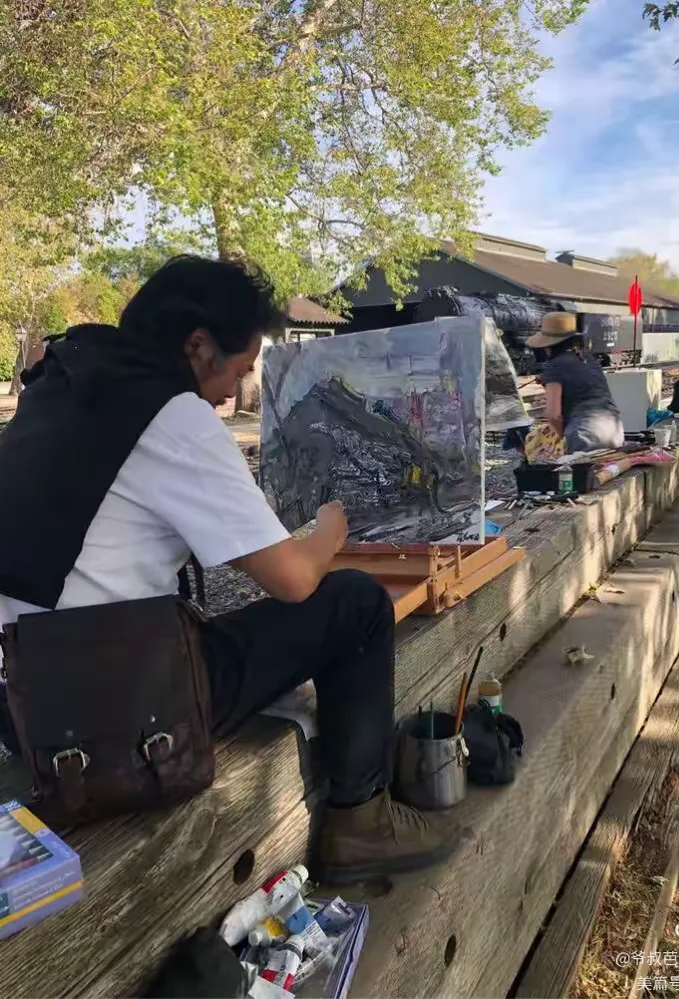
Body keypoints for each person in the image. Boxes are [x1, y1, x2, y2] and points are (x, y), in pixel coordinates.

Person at [0, 255, 453, 884]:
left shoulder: (62, 388)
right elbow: (293, 579)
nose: (233, 395)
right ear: (197, 346)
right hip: (119, 717)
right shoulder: (171, 413)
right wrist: (330, 530)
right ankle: (360, 821)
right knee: (355, 603)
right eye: (239, 371)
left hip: (25, 705)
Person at [527, 312, 624, 453]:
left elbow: (554, 415)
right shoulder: (589, 359)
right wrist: (548, 379)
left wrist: (560, 441)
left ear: (547, 345)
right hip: (614, 432)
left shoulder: (554, 366)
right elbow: (582, 385)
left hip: (583, 436)